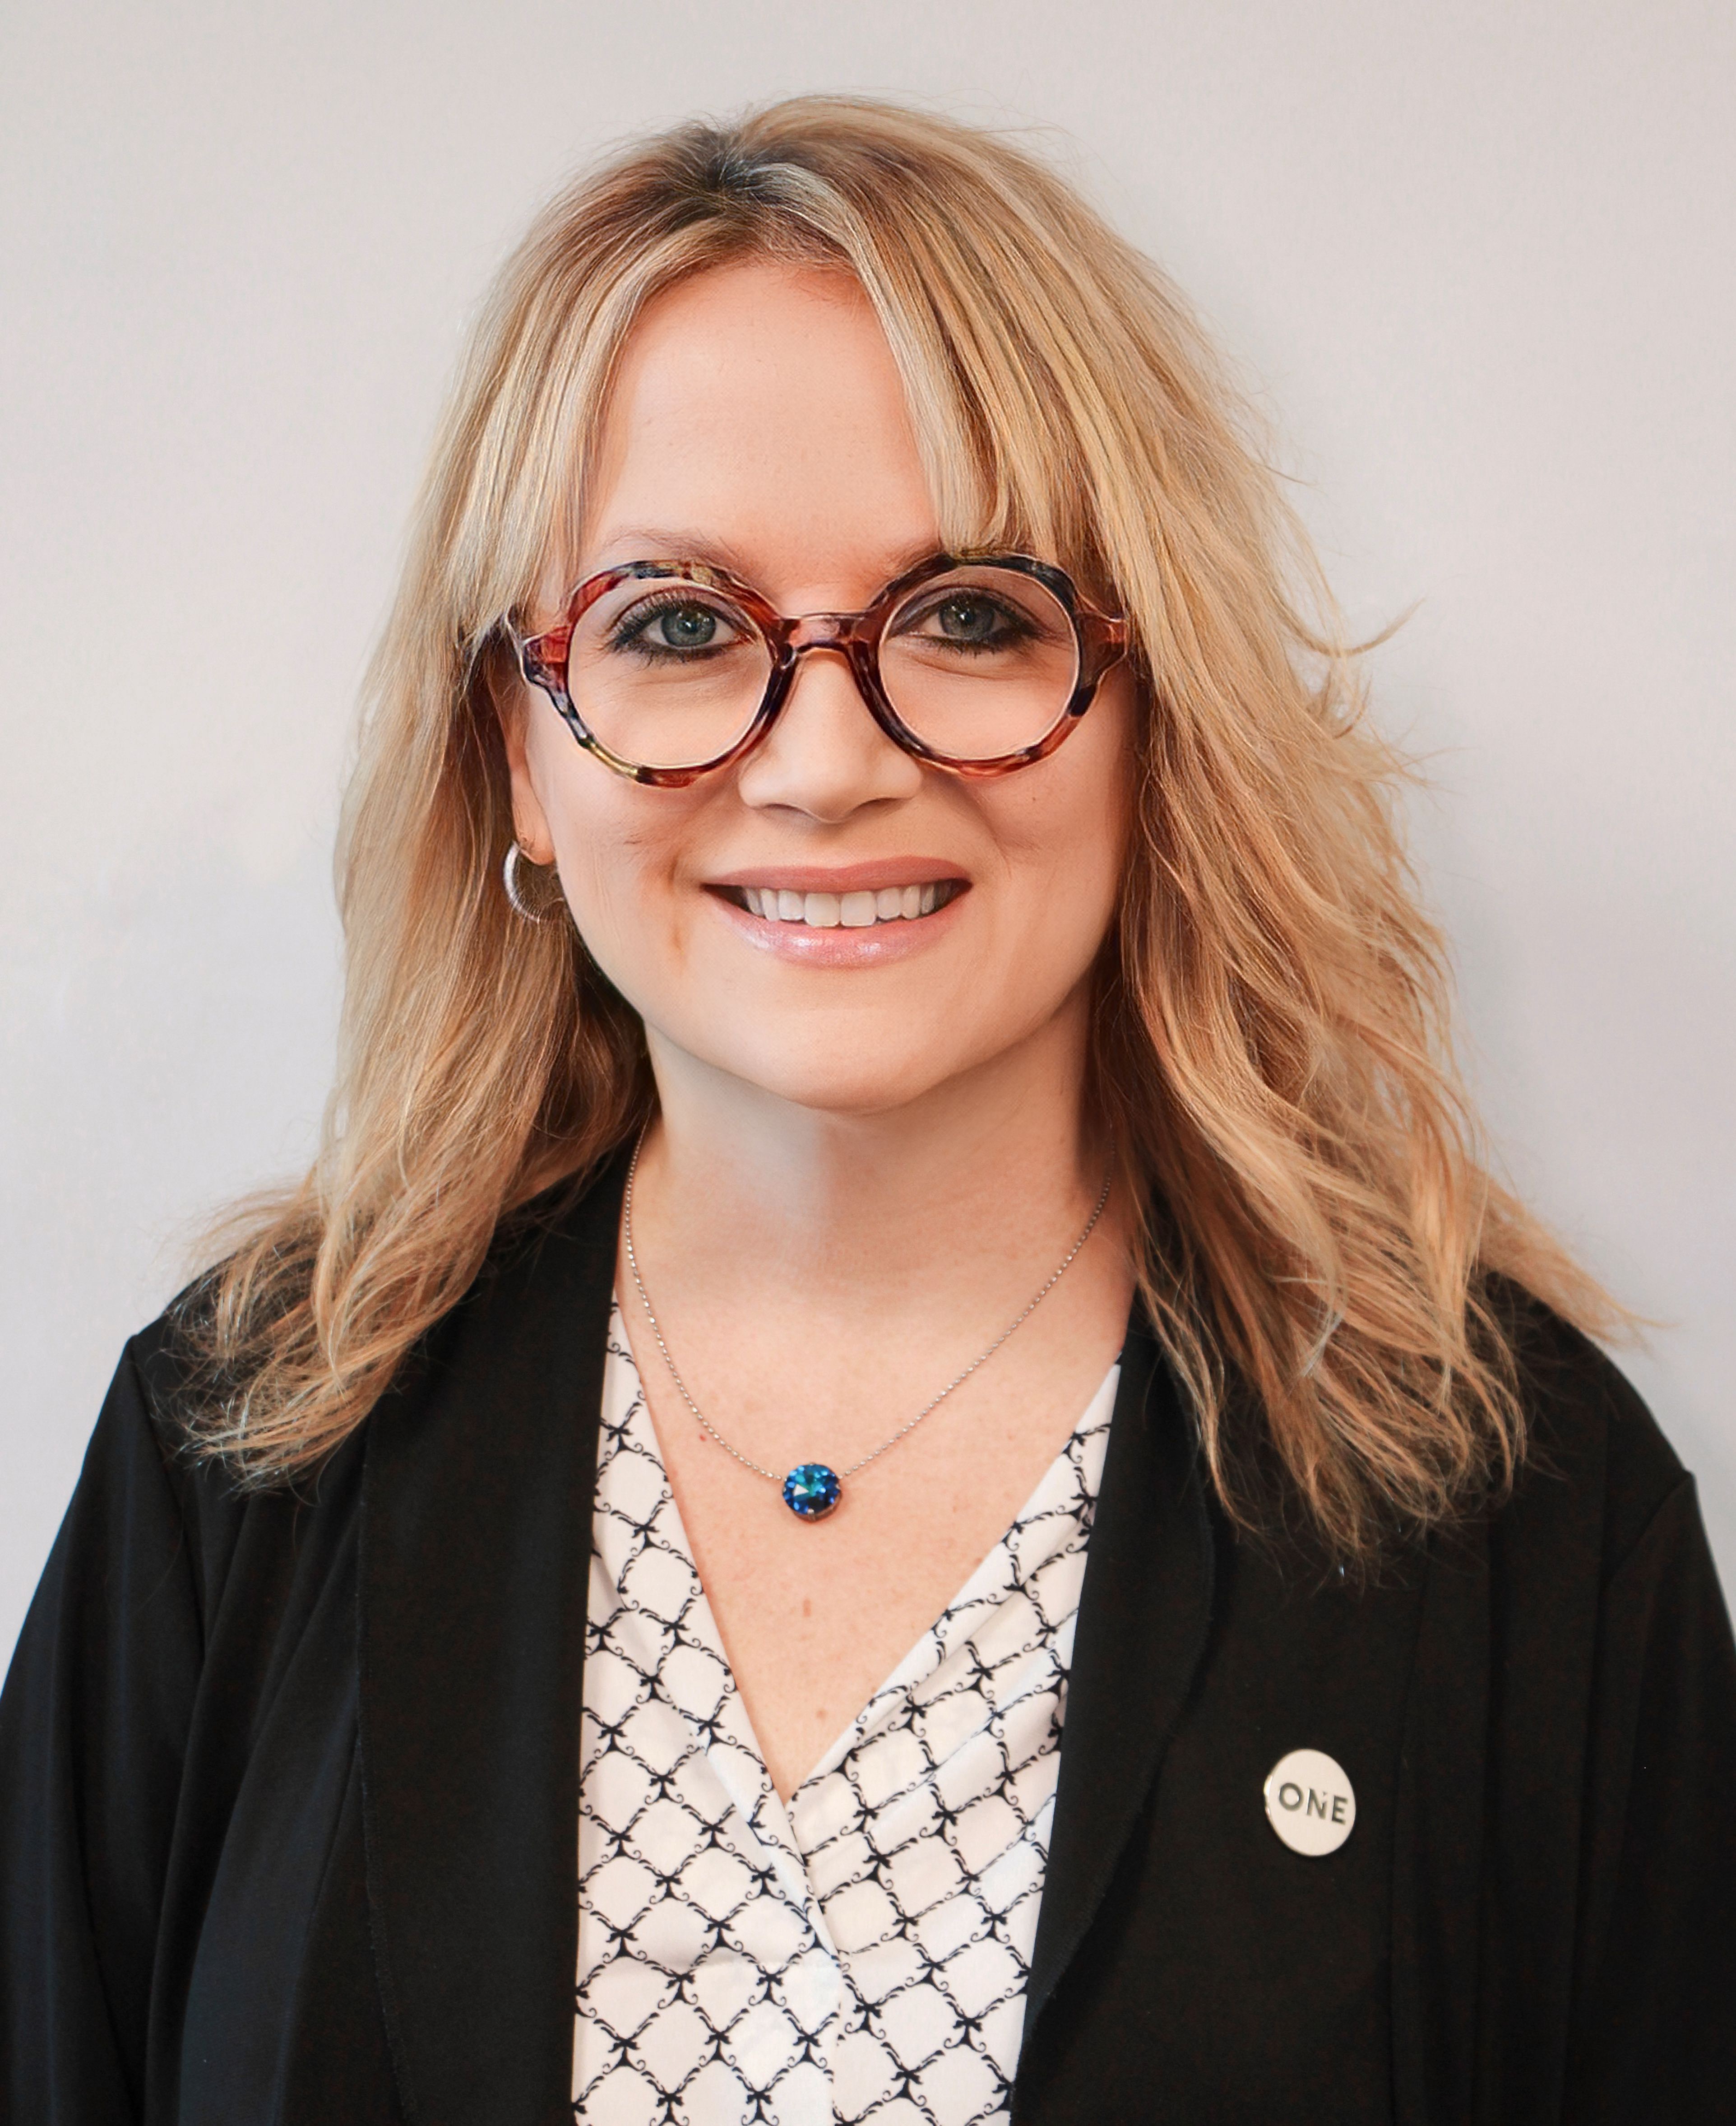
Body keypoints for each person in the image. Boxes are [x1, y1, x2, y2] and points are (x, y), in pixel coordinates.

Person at [3, 95, 1733, 2126]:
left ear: (1152, 709)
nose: (824, 765)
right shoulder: (240, 1455)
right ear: (518, 753)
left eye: (973, 613)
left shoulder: (1518, 1513)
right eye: (673, 625)